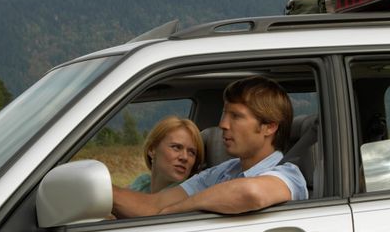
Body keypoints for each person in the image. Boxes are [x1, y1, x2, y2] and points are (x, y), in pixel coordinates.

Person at [112, 76, 308, 218]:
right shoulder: (223, 171)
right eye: (225, 114)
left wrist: (178, 209)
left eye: (236, 116)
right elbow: (154, 205)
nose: (223, 124)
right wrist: (103, 192)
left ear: (269, 127)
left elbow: (250, 193)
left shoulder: (288, 176)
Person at [127, 116, 204, 193]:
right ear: (151, 149)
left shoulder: (192, 200)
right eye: (176, 147)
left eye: (191, 152)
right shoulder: (139, 187)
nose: (184, 157)